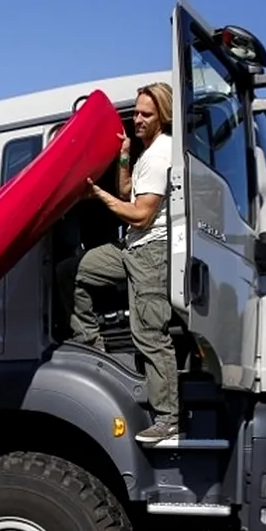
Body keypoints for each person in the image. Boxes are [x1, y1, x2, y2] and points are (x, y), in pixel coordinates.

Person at [57, 82, 179, 443]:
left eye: (146, 114)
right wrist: (125, 155)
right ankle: (91, 342)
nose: (137, 119)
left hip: (151, 252)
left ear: (163, 116)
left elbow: (140, 215)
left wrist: (98, 194)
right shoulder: (146, 152)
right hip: (131, 247)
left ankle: (168, 417)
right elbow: (127, 192)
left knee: (150, 334)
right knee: (71, 272)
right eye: (136, 112)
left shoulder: (161, 154)